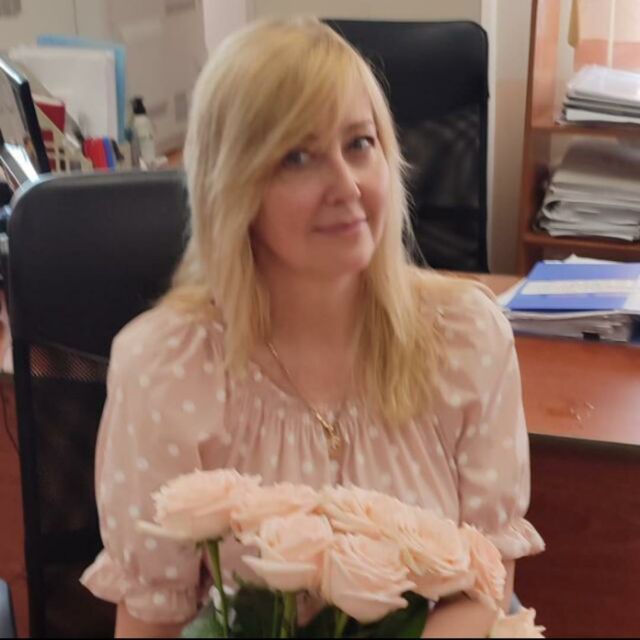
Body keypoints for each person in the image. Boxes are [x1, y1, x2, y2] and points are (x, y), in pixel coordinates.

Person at [81, 17, 544, 638]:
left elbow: (485, 584)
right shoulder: (167, 366)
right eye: (298, 157)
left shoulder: (466, 337)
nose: (346, 185)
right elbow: (154, 620)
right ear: (234, 186)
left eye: (359, 144)